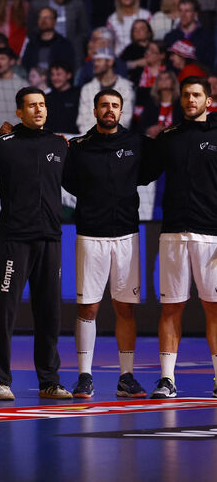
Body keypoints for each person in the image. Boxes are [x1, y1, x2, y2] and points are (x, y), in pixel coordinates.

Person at [63, 88, 156, 399]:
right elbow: (69, 182)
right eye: (104, 105)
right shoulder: (79, 147)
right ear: (94, 110)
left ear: (121, 110)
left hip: (127, 235)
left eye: (115, 106)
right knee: (87, 307)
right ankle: (84, 376)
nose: (109, 110)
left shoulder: (136, 144)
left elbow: (147, 173)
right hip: (90, 235)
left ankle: (126, 377)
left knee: (125, 308)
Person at [0, 86, 72, 400]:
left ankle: (49, 381)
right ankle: (1, 380)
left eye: (42, 105)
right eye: (31, 106)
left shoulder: (59, 144)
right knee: (5, 312)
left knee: (50, 312)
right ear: (19, 112)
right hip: (14, 239)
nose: (38, 110)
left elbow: (80, 179)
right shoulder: (3, 144)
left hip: (50, 239)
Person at [144, 76, 217, 398]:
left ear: (208, 101)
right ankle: (167, 379)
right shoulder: (167, 137)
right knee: (171, 307)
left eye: (196, 95)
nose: (190, 100)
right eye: (186, 95)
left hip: (211, 236)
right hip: (172, 233)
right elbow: (142, 172)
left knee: (214, 308)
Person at [77, 45, 136, 133]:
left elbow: (125, 120)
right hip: (91, 140)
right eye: (94, 61)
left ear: (110, 62)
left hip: (116, 141)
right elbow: (82, 121)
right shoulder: (87, 89)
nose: (95, 64)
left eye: (99, 60)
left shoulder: (126, 88)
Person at [44, 61, 80, 134]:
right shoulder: (47, 97)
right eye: (52, 75)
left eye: (58, 74)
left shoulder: (79, 94)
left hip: (73, 138)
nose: (55, 78)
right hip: (52, 139)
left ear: (69, 75)